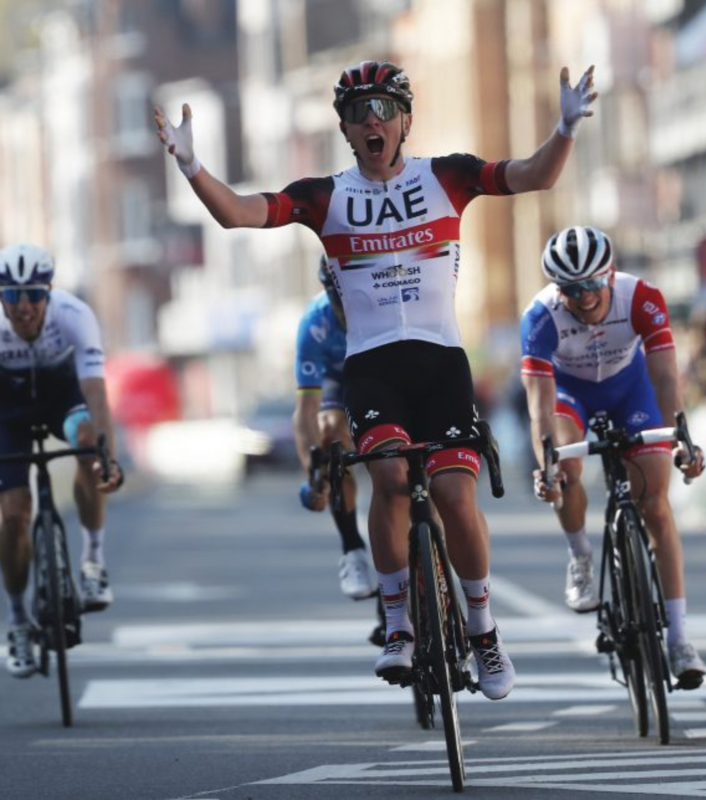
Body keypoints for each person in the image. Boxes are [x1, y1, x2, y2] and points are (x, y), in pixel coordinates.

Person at [155, 59, 597, 700]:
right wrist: (193, 168)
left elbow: (532, 176)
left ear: (406, 121)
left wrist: (564, 128)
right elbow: (241, 214)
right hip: (372, 368)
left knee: (452, 495)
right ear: (343, 127)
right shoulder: (325, 195)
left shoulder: (448, 176)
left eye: (384, 109)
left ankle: (483, 630)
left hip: (440, 361)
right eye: (358, 112)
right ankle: (397, 624)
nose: (372, 121)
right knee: (389, 476)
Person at [520, 225, 706, 688]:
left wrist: (680, 437)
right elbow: (540, 409)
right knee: (566, 464)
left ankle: (680, 639)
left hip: (632, 391)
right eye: (570, 288)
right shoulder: (540, 317)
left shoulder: (641, 296)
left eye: (591, 284)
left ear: (610, 274)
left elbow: (666, 379)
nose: (583, 297)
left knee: (656, 506)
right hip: (571, 396)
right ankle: (580, 556)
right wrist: (546, 467)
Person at [0, 243, 124, 678]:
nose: (24, 306)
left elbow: (94, 391)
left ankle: (93, 562)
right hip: (6, 408)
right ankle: (16, 621)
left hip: (61, 399)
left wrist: (105, 454)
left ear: (49, 292)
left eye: (33, 294)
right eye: (12, 296)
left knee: (90, 446)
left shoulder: (74, 315)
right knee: (14, 516)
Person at [294, 255, 376, 600]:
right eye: (336, 297)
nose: (344, 307)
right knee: (330, 433)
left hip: (382, 373)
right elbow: (306, 409)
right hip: (338, 382)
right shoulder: (315, 323)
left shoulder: (382, 306)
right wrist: (314, 473)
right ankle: (353, 549)